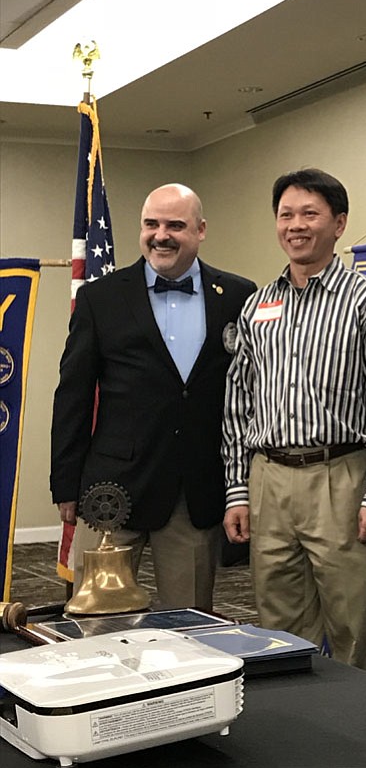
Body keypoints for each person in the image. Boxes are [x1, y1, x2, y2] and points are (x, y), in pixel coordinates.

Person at [222, 168, 366, 674]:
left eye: (309, 214)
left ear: (339, 224)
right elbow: (239, 401)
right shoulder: (258, 305)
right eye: (285, 215)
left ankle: (363, 743)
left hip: (341, 477)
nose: (295, 225)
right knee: (276, 631)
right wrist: (238, 489)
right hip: (268, 479)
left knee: (354, 629)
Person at [51, 183, 256, 611]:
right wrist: (65, 484)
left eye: (175, 225)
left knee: (191, 626)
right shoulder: (100, 298)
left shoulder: (238, 296)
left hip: (193, 488)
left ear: (200, 231)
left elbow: (248, 393)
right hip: (110, 492)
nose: (161, 235)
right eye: (151, 224)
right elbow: (73, 393)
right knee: (94, 622)